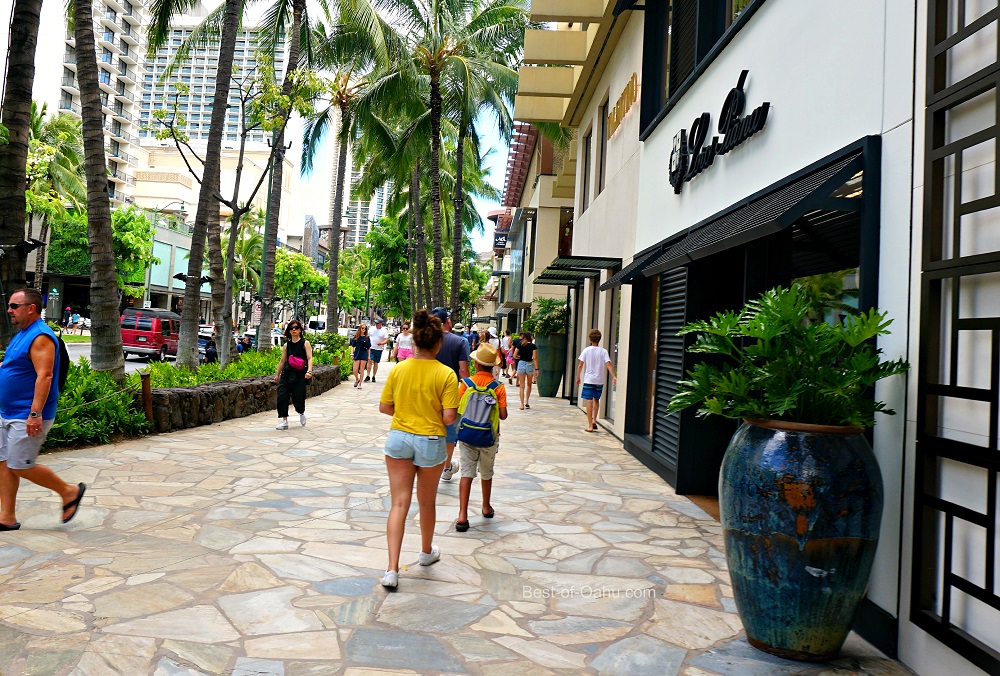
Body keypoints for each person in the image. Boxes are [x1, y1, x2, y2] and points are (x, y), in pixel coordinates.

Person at [377, 309, 458, 588]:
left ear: (414, 342)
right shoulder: (446, 375)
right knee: (427, 502)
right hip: (431, 440)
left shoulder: (399, 369)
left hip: (399, 437)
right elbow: (449, 418)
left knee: (399, 503)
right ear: (438, 343)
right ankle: (425, 552)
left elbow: (385, 406)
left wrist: (408, 413)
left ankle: (391, 569)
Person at [0, 288, 85, 530]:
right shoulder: (22, 333)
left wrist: (35, 414)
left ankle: (69, 492)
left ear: (31, 308)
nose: (9, 310)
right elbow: (16, 366)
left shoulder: (40, 336)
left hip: (26, 414)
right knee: (3, 462)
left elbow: (45, 376)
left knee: (19, 465)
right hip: (7, 410)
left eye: (14, 306)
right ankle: (6, 517)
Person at [455, 343, 507, 532]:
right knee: (487, 472)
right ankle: (486, 506)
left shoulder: (465, 384)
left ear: (476, 364)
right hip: (488, 437)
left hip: (467, 435)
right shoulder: (498, 387)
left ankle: (462, 515)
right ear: (493, 366)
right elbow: (503, 415)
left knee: (466, 473)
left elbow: (459, 409)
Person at [430, 307, 470, 482]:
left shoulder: (428, 340)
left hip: (429, 391)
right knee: (449, 431)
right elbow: (464, 371)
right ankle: (446, 468)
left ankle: (430, 464)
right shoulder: (459, 342)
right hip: (451, 392)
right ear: (447, 321)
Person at [273, 320, 313, 429]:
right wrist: (277, 374)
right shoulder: (287, 345)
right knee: (282, 396)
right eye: (291, 328)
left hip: (300, 374)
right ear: (289, 331)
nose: (294, 330)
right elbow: (282, 361)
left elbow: (309, 358)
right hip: (287, 373)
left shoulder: (305, 343)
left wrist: (309, 371)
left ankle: (301, 412)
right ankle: (284, 420)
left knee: (298, 398)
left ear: (300, 329)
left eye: (296, 328)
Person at [576, 329, 617, 433]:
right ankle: (594, 420)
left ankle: (590, 425)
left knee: (589, 400)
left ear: (590, 339)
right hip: (599, 380)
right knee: (596, 399)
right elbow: (608, 364)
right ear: (599, 339)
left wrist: (578, 376)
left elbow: (580, 364)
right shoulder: (603, 351)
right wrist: (614, 376)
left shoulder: (586, 350)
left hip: (589, 380)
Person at [513, 332, 538, 410]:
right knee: (529, 385)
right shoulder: (533, 346)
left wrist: (519, 357)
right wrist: (537, 369)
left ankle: (522, 404)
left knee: (521, 386)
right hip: (530, 364)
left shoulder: (520, 344)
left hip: (521, 363)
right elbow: (535, 357)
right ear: (530, 337)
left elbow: (514, 355)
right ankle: (527, 401)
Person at [365, 319, 389, 383]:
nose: (376, 325)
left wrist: (381, 343)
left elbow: (386, 339)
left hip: (379, 349)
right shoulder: (372, 328)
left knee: (376, 362)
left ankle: (373, 376)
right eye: (376, 323)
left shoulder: (384, 330)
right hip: (371, 348)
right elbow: (367, 336)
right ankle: (368, 375)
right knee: (369, 360)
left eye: (377, 323)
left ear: (381, 324)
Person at [350, 324, 371, 389]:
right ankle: (357, 379)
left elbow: (368, 348)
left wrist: (369, 356)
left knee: (362, 369)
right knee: (355, 370)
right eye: (362, 328)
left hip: (364, 353)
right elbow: (352, 346)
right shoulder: (356, 337)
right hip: (357, 353)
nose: (363, 329)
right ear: (360, 328)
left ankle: (360, 384)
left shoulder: (367, 338)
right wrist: (351, 354)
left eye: (365, 328)